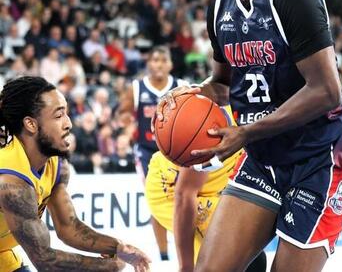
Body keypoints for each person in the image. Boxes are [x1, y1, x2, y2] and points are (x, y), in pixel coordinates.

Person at [156, 0, 342, 270]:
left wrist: (246, 132)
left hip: (320, 156)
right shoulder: (221, 5)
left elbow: (327, 92)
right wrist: (189, 97)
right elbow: (223, 83)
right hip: (265, 157)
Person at [0, 76, 151, 272]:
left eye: (67, 114)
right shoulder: (10, 180)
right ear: (31, 124)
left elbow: (69, 228)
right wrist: (106, 267)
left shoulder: (56, 162)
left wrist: (119, 247)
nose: (69, 123)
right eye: (58, 115)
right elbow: (44, 259)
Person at [145, 108, 266, 271]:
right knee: (222, 248)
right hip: (171, 186)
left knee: (246, 245)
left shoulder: (260, 112)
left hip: (217, 176)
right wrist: (186, 266)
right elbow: (185, 195)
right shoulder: (206, 130)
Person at [118, 46, 188, 261]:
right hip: (147, 151)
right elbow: (123, 113)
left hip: (175, 151)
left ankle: (185, 250)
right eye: (154, 60)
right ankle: (165, 256)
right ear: (149, 64)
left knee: (183, 198)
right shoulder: (137, 88)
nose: (158, 64)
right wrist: (127, 124)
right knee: (156, 200)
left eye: (162, 60)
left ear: (170, 64)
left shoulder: (181, 87)